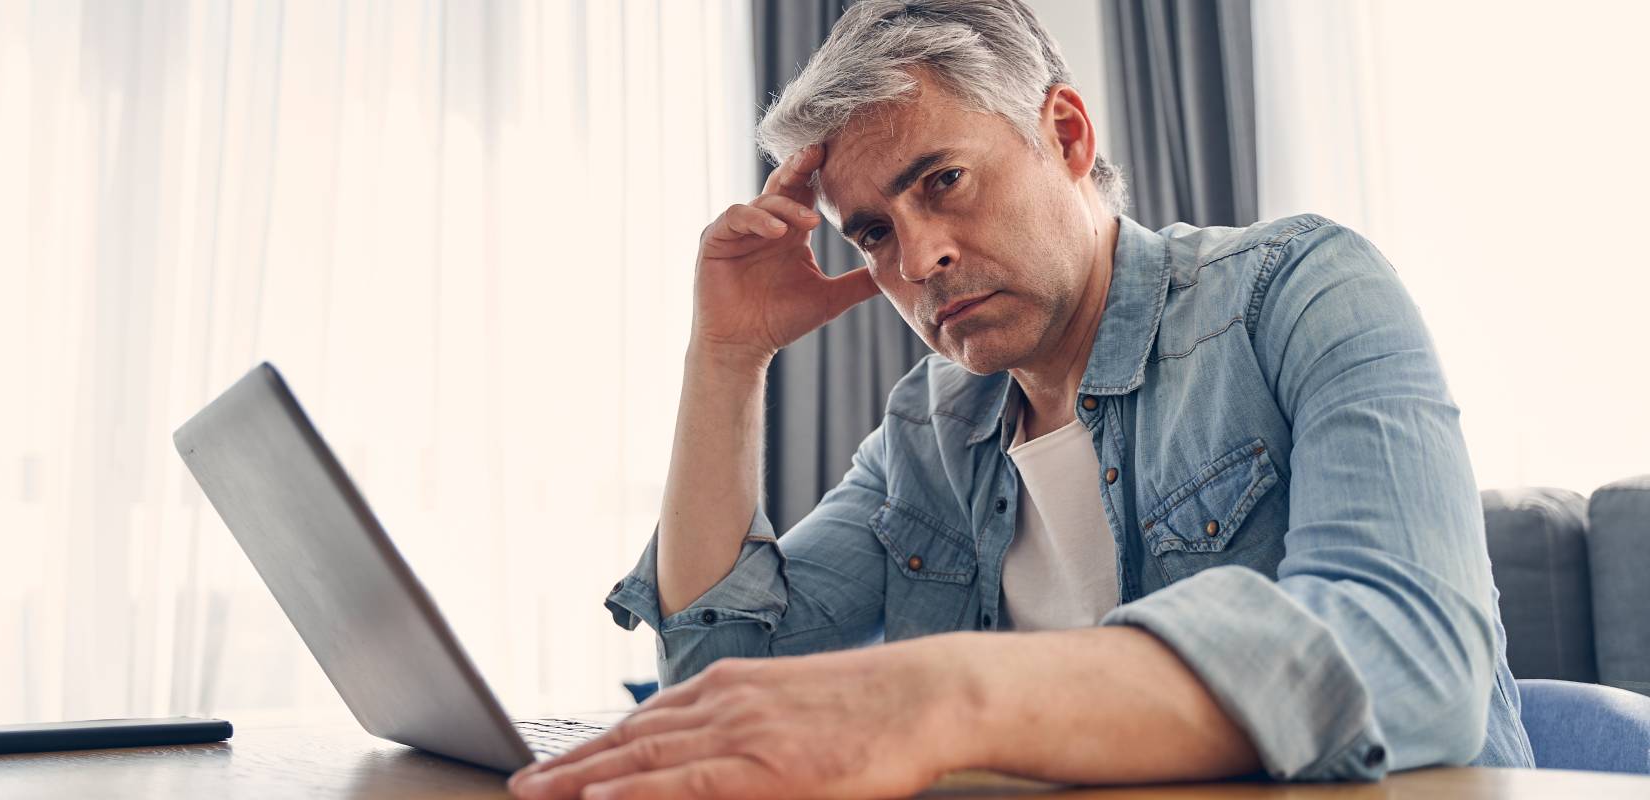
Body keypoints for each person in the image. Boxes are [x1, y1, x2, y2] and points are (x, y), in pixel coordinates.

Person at [509, 1, 1532, 797]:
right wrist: (724, 356)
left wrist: (944, 697)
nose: (919, 257)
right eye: (869, 232)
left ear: (1068, 133)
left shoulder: (1304, 290)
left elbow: (1412, 650)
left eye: (943, 179)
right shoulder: (930, 430)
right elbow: (713, 677)